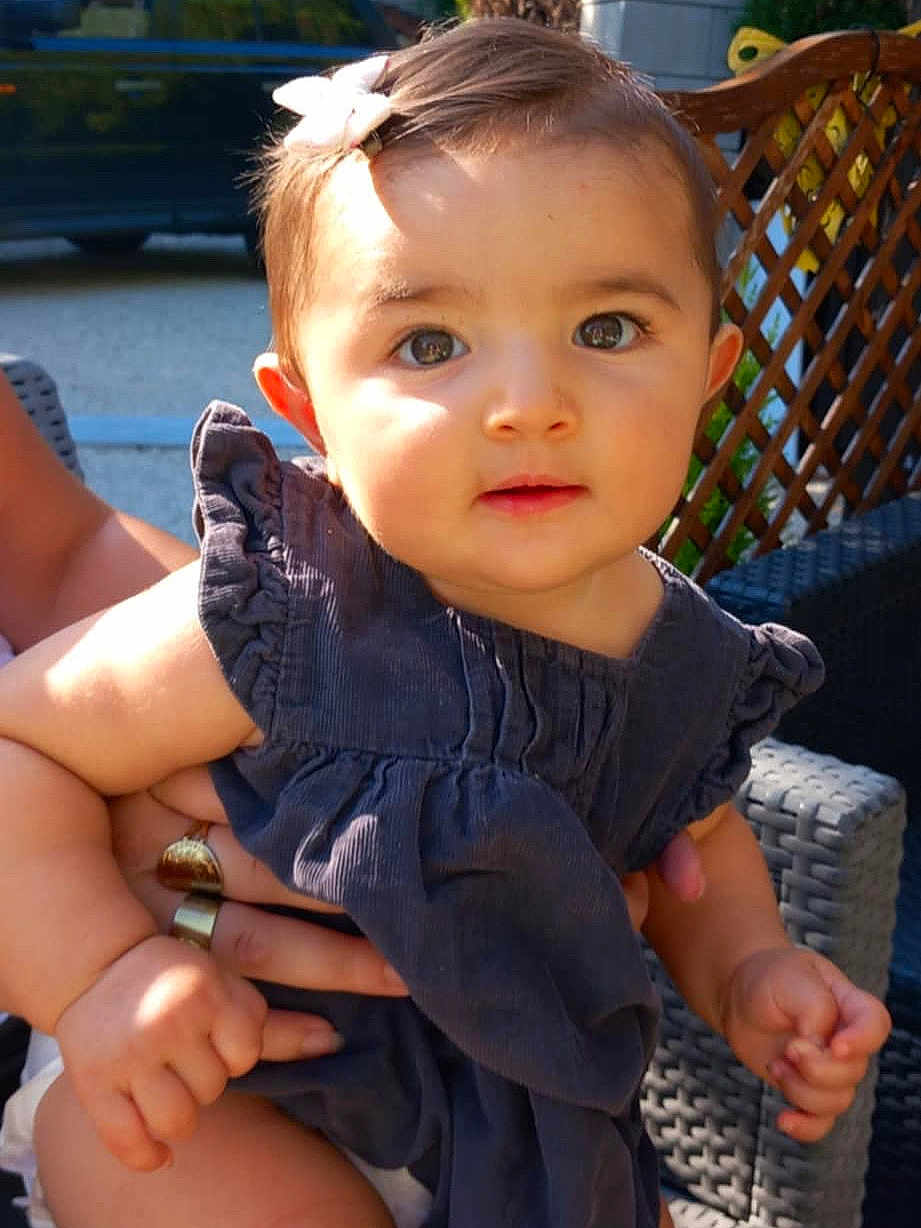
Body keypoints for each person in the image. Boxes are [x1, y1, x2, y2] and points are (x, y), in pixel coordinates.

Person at [0, 19, 891, 1228]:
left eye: (608, 330)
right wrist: (105, 970)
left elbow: (698, 842)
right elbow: (24, 743)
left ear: (711, 370)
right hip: (236, 1081)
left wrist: (747, 969)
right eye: (431, 344)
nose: (529, 405)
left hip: (525, 1135)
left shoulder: (689, 655)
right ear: (305, 404)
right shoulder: (279, 613)